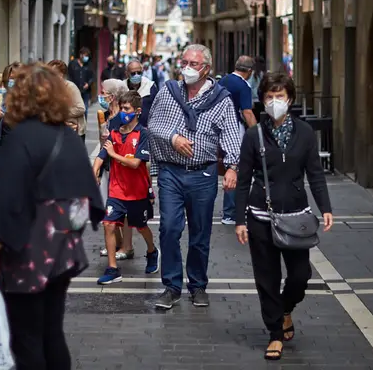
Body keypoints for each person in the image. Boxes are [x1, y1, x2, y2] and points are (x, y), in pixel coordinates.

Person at [0, 63, 105, 369]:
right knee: (52, 331)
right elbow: (92, 199)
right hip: (63, 251)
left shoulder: (22, 139)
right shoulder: (70, 139)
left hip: (27, 252)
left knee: (26, 338)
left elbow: (7, 201)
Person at [234, 72, 334, 361]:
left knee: (300, 275)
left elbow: (315, 173)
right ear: (262, 100)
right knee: (267, 278)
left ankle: (286, 308)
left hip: (296, 216)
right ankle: (275, 333)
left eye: (280, 96)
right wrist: (240, 220)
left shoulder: (304, 132)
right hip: (260, 215)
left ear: (290, 99)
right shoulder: (254, 135)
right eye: (269, 96)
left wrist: (325, 207)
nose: (274, 101)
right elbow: (242, 180)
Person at [147, 44, 241, 309]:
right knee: (169, 228)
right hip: (171, 172)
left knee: (200, 233)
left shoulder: (221, 99)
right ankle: (171, 286)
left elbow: (232, 134)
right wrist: (173, 137)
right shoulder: (168, 91)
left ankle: (198, 285)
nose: (187, 68)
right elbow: (153, 124)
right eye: (184, 62)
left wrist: (233, 166)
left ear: (206, 69)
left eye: (194, 64)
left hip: (203, 173)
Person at [92, 91, 159, 284]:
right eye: (121, 108)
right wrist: (95, 171)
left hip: (137, 192)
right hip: (117, 191)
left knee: (141, 226)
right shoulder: (114, 134)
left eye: (127, 109)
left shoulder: (143, 134)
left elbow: (136, 163)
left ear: (137, 111)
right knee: (109, 224)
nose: (123, 112)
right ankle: (113, 269)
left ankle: (152, 251)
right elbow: (101, 156)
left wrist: (113, 154)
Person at [218, 56, 258, 225]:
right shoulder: (243, 86)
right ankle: (231, 212)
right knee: (236, 170)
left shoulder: (222, 81)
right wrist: (257, 133)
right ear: (249, 71)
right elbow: (247, 112)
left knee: (228, 168)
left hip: (218, 129)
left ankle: (231, 211)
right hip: (235, 130)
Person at [96, 79, 133, 260]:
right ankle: (116, 243)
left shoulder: (123, 117)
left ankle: (127, 246)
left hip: (122, 166)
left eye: (104, 92)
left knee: (124, 208)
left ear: (113, 96)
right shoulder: (104, 115)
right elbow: (103, 143)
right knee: (109, 206)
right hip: (108, 165)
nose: (101, 95)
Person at [48, 60, 86, 142]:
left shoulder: (70, 87)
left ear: (61, 74)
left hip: (74, 131)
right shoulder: (50, 88)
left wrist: (61, 114)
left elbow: (81, 108)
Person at [125, 60, 158, 126]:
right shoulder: (122, 87)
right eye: (133, 73)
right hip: (126, 127)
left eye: (139, 73)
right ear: (127, 74)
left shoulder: (150, 86)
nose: (136, 75)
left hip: (146, 128)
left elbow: (157, 109)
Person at [68, 47, 95, 118]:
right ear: (80, 55)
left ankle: (84, 125)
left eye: (87, 56)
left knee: (84, 109)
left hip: (85, 91)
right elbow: (69, 75)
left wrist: (88, 84)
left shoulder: (89, 65)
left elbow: (92, 77)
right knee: (74, 108)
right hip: (74, 90)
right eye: (85, 55)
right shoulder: (73, 64)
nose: (86, 57)